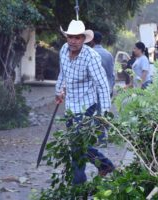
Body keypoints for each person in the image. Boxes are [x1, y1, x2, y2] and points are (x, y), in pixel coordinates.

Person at [55, 20, 114, 184]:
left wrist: (104, 114)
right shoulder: (63, 50)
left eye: (77, 38)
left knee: (76, 146)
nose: (73, 41)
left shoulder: (91, 57)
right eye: (70, 37)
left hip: (87, 106)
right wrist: (58, 91)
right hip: (70, 107)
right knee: (78, 146)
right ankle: (105, 165)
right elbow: (63, 73)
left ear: (84, 39)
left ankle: (78, 185)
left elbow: (102, 85)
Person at [90, 31, 115, 97]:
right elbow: (112, 74)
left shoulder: (89, 54)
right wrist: (111, 88)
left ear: (92, 40)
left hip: (93, 92)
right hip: (107, 90)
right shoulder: (109, 54)